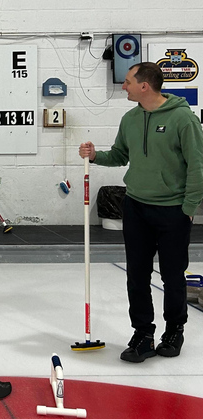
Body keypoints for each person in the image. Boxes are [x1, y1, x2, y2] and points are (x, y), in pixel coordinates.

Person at [79, 62, 203, 362]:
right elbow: (120, 155)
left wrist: (188, 208)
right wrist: (96, 156)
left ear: (144, 85)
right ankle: (143, 334)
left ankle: (174, 330)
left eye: (128, 82)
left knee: (173, 276)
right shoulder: (130, 119)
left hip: (173, 210)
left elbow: (197, 167)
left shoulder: (183, 119)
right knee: (137, 275)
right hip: (136, 207)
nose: (124, 86)